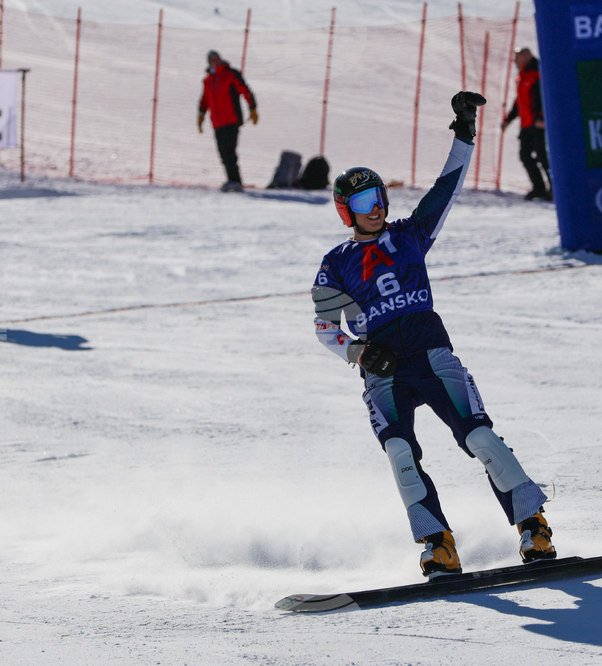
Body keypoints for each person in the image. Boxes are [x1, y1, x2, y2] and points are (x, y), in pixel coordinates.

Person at [311, 92, 556, 578]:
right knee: (400, 452)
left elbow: (447, 187)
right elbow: (323, 327)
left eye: (379, 196)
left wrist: (464, 133)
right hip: (382, 367)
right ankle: (437, 542)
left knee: (480, 437)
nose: (375, 207)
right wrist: (357, 350)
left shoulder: (410, 234)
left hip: (430, 351)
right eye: (363, 201)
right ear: (346, 210)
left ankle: (533, 523)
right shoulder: (336, 263)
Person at [197, 50, 258, 192]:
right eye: (212, 59)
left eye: (217, 58)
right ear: (209, 62)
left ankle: (235, 181)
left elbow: (245, 90)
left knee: (230, 151)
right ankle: (232, 180)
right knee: (223, 153)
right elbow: (205, 100)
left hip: (232, 120)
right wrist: (200, 116)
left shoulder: (231, 74)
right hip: (217, 123)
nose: (215, 61)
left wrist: (252, 108)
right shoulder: (207, 80)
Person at [501, 48, 552, 201]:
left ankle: (555, 188)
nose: (515, 61)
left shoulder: (538, 72)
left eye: (517, 57)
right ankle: (539, 187)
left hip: (538, 125)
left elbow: (545, 96)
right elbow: (520, 102)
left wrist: (542, 117)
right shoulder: (522, 76)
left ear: (526, 56)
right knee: (525, 156)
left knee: (543, 157)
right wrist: (508, 120)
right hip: (526, 125)